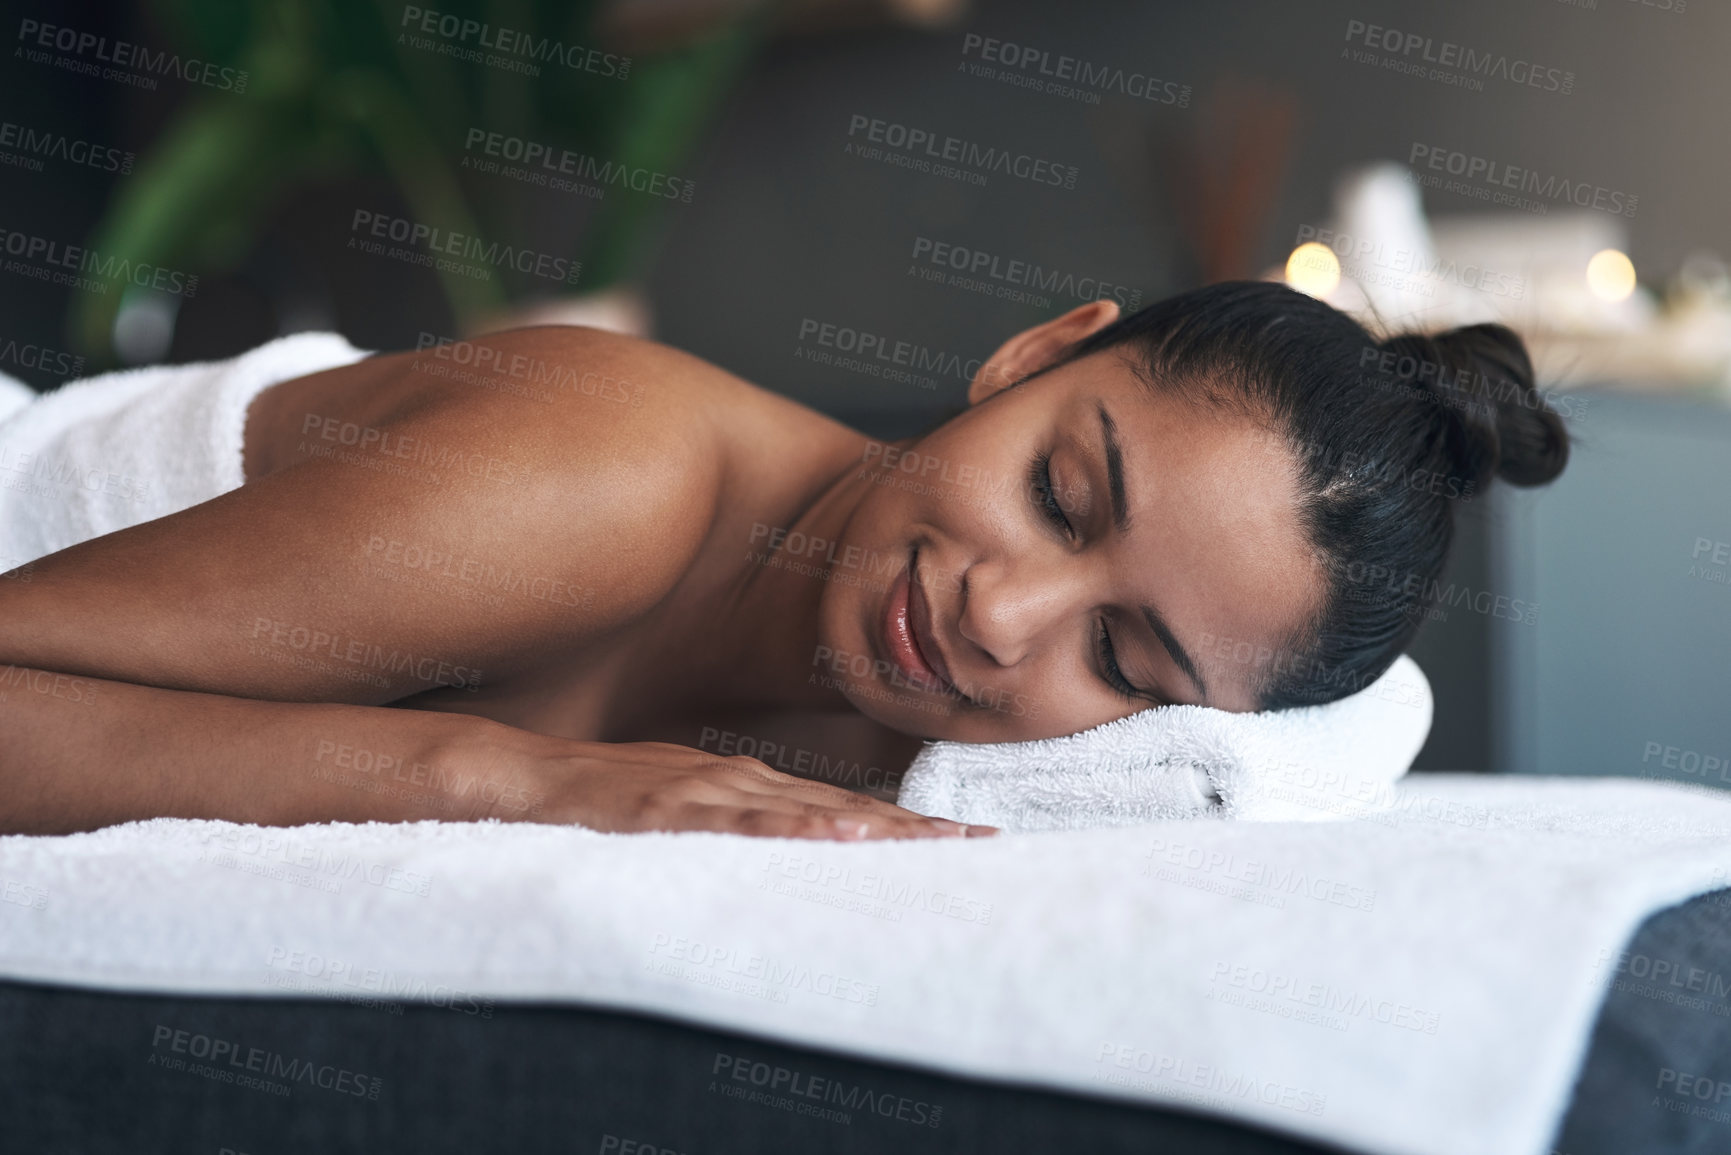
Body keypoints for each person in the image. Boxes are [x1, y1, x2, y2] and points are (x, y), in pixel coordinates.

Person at [0, 281, 1570, 839]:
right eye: (1060, 495)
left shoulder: (926, 757)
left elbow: (1343, 741)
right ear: (1034, 351)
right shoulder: (599, 470)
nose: (1002, 619)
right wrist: (511, 779)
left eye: (1125, 663)